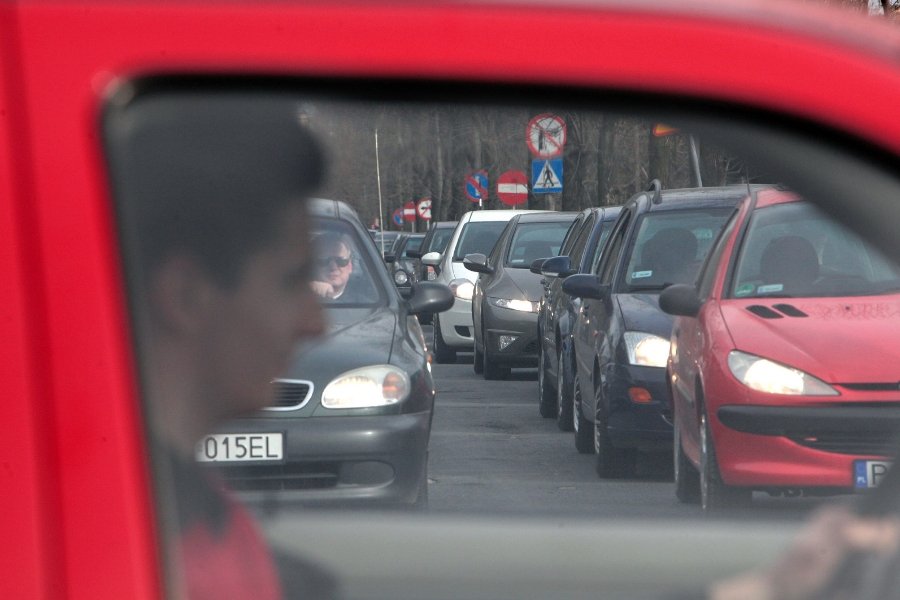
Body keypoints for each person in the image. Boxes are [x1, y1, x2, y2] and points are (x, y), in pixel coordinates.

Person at [114, 95, 337, 599]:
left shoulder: (190, 514)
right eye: (291, 281)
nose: (315, 323)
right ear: (185, 295)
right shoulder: (164, 539)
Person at [310, 232, 356, 300]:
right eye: (324, 260)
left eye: (340, 260)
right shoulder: (298, 299)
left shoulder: (364, 304)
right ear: (314, 266)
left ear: (350, 267)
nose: (333, 267)